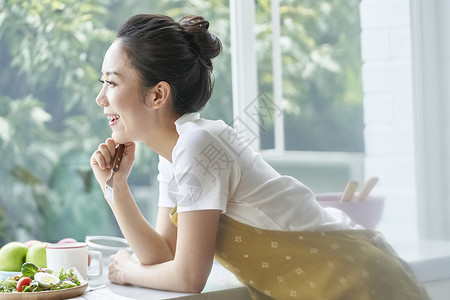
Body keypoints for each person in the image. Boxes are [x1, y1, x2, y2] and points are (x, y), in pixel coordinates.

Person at [90, 14, 429, 299]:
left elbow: (188, 276)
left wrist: (127, 271)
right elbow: (165, 255)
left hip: (357, 281)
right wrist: (116, 189)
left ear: (158, 94)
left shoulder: (199, 147)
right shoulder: (176, 155)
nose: (100, 98)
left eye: (112, 83)